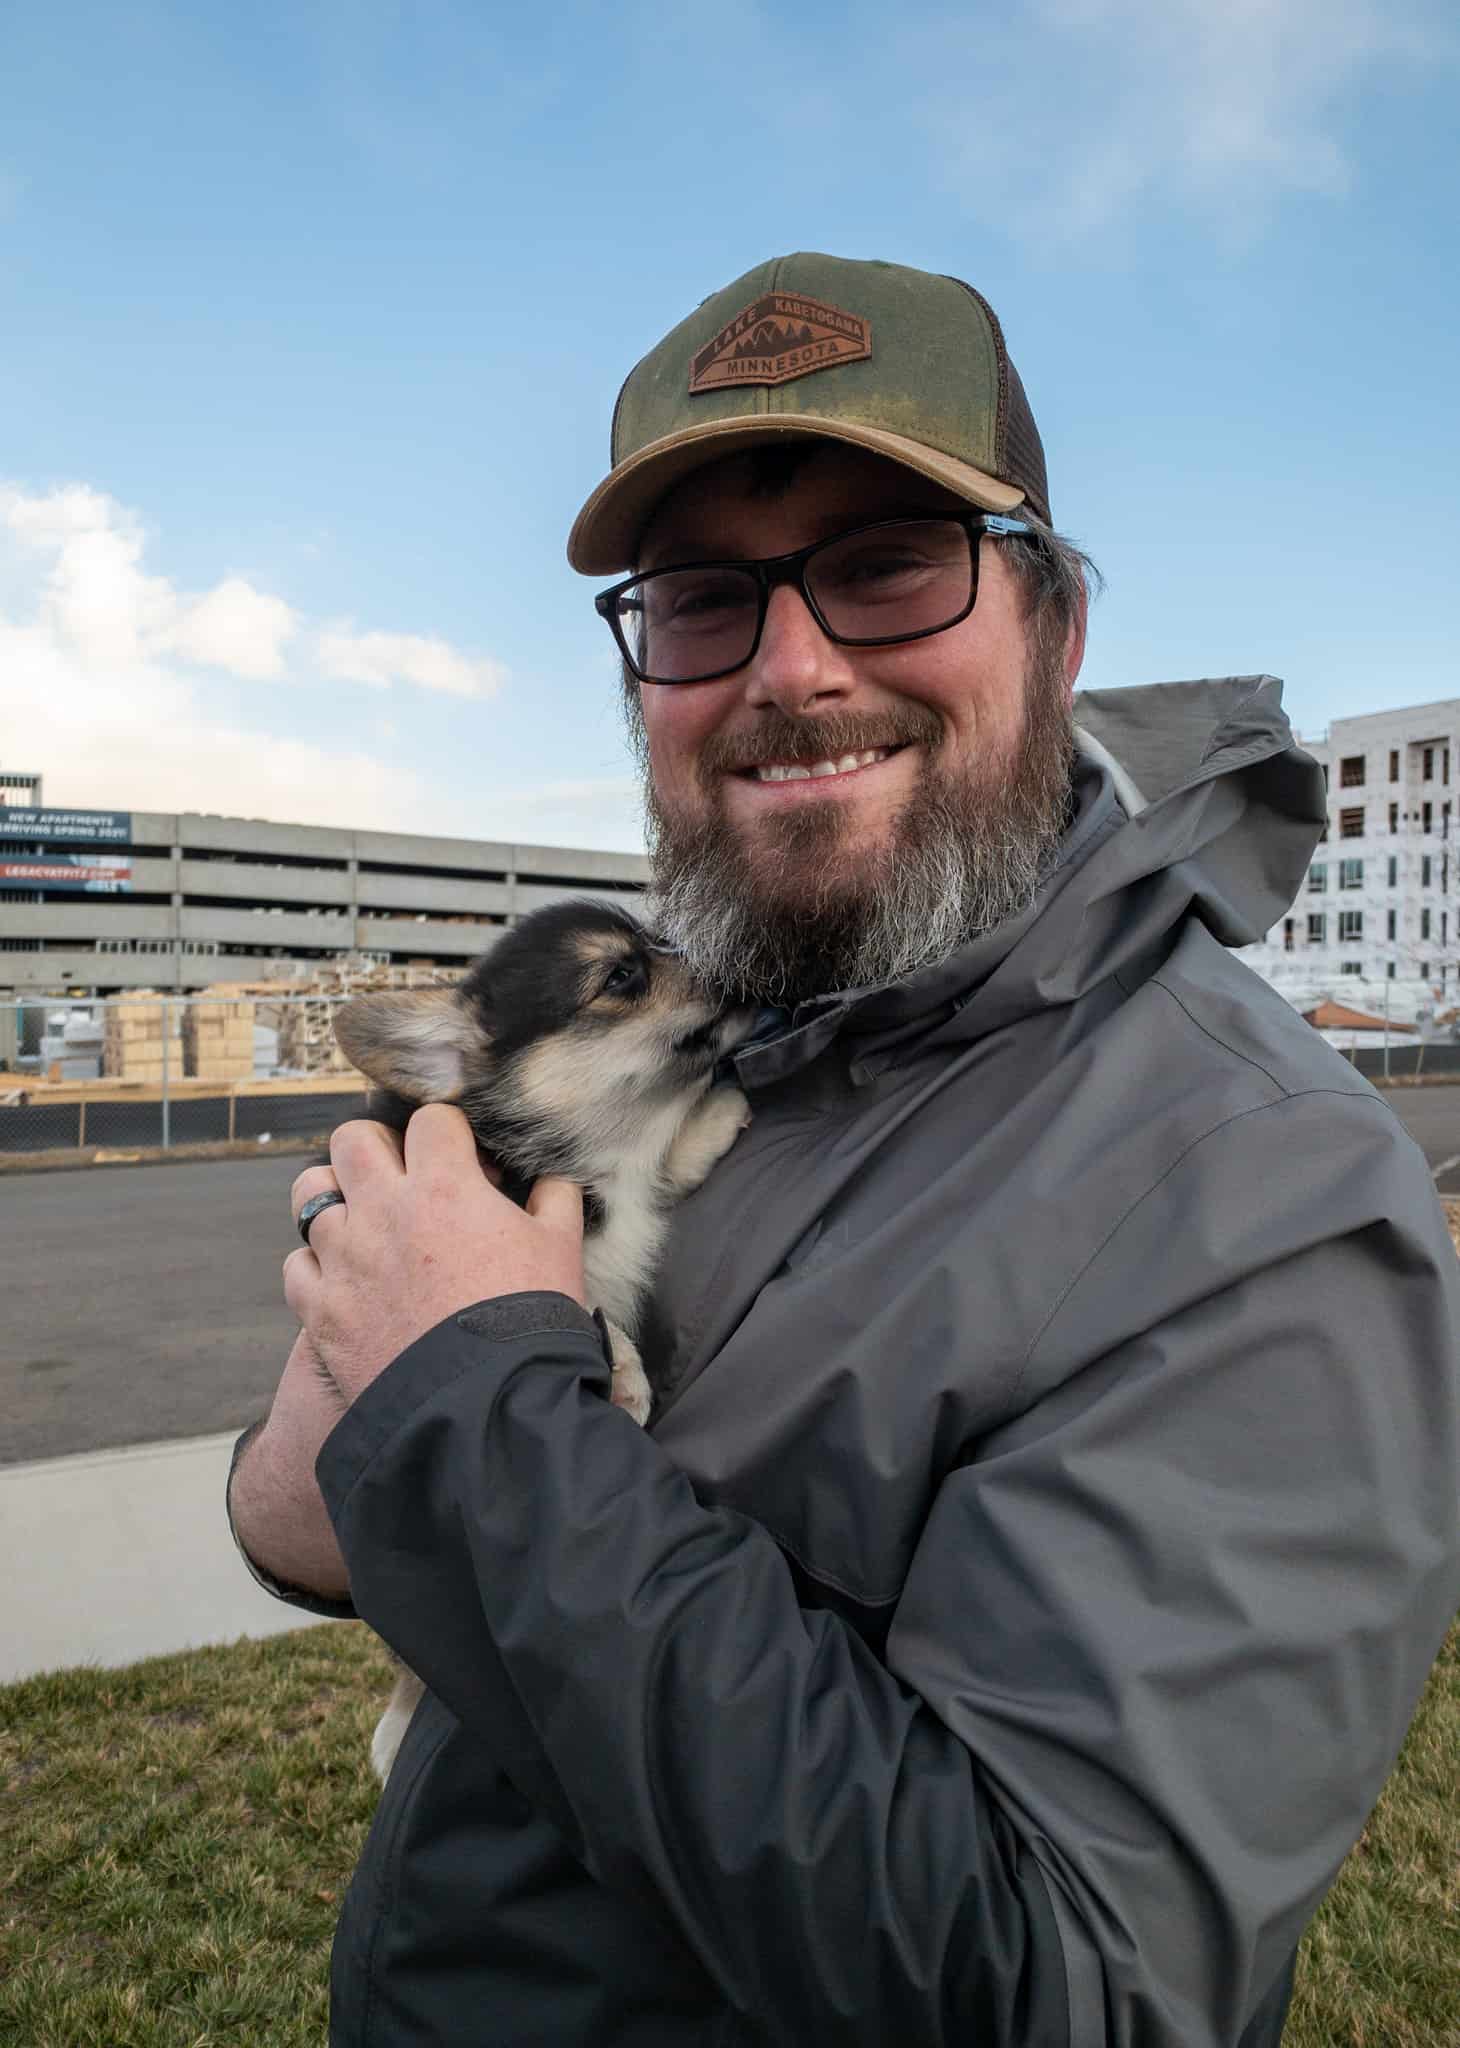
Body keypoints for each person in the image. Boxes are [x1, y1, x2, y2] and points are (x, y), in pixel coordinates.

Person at [228, 253, 1460, 2047]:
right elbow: (342, 1527)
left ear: (1057, 626)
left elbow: (1054, 1987)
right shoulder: (758, 1025)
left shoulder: (1260, 1187)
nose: (791, 671)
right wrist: (345, 1420)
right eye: (706, 601)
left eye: (887, 566)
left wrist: (480, 1395)